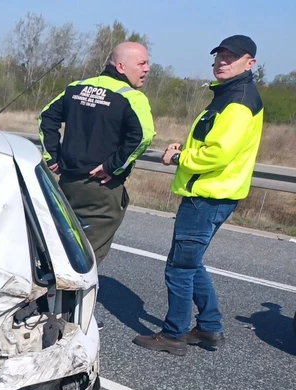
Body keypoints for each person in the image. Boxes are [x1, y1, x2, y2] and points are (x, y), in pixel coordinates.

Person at [133, 35, 263, 355]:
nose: (222, 61)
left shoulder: (239, 100)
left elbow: (218, 154)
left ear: (250, 63)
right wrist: (185, 148)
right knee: (192, 263)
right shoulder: (228, 95)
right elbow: (211, 143)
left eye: (231, 57)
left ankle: (173, 334)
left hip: (207, 196)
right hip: (211, 193)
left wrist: (179, 158)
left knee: (179, 268)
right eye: (220, 55)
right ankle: (209, 328)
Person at [39, 42, 156, 267]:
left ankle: (47, 292)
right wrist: (113, 166)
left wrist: (52, 156)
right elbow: (143, 136)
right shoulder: (132, 97)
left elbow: (46, 117)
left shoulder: (76, 88)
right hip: (101, 190)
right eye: (142, 63)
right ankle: (66, 299)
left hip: (67, 185)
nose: (147, 69)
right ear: (121, 67)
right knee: (84, 261)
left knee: (59, 245)